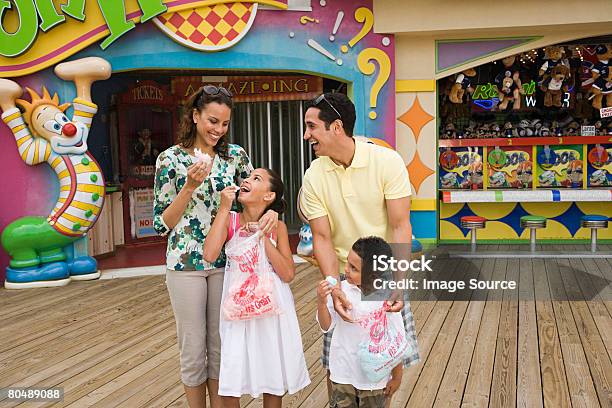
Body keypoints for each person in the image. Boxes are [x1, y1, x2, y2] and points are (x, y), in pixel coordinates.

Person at [153, 85, 277, 408]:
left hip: (227, 263)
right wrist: (189, 187)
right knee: (193, 350)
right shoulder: (169, 159)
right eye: (212, 121)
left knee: (222, 348)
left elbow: (257, 199)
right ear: (195, 116)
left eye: (224, 124)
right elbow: (161, 223)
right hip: (185, 266)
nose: (218, 130)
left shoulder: (235, 156)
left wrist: (274, 210)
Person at [299, 92, 419, 406]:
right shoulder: (314, 175)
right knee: (337, 358)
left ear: (336, 127)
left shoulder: (387, 161)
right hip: (341, 273)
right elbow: (321, 238)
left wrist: (398, 283)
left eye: (312, 126)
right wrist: (333, 286)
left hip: (381, 276)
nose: (306, 134)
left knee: (383, 359)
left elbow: (399, 226)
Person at [203, 168, 310, 407]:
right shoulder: (229, 220)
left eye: (256, 178)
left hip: (272, 306)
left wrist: (263, 237)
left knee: (272, 369)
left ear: (268, 196)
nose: (246, 180)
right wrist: (223, 208)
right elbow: (209, 254)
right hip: (237, 307)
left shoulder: (277, 227)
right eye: (248, 177)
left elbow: (288, 273)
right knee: (232, 371)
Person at [317, 237, 405, 408]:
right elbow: (326, 325)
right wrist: (321, 301)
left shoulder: (388, 298)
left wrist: (397, 376)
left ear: (373, 275)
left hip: (374, 380)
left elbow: (397, 341)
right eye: (347, 263)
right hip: (342, 373)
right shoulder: (341, 291)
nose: (346, 270)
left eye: (353, 268)